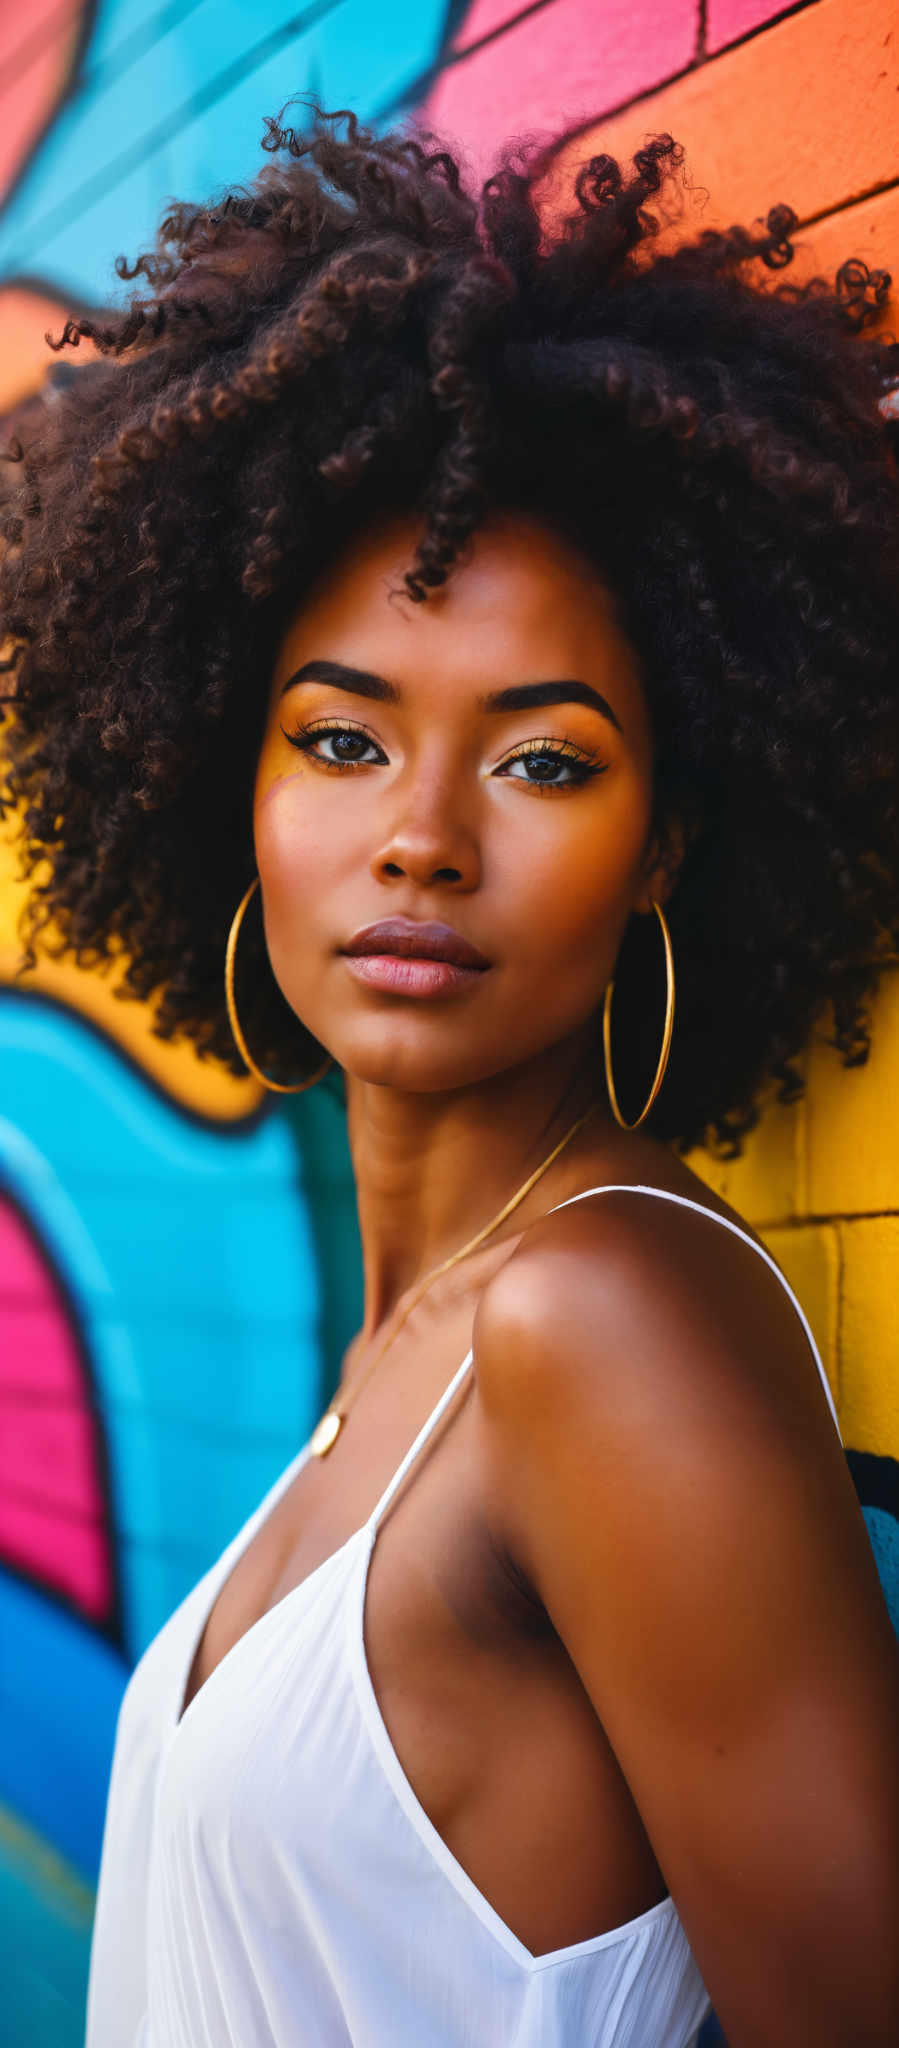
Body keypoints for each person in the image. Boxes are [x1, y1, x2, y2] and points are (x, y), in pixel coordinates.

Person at [2, 106, 898, 2048]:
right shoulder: (411, 1344)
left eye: (544, 758)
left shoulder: (603, 1319)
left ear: (666, 840)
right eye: (339, 742)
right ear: (224, 785)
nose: (421, 836)